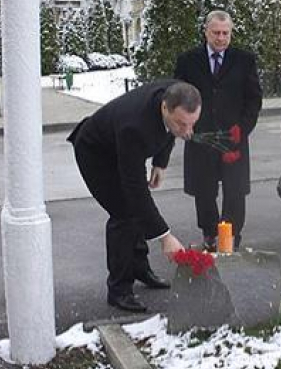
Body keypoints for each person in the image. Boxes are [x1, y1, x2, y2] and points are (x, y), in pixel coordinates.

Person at [67, 80, 197, 312]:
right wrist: (165, 236)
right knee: (124, 214)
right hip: (95, 153)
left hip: (120, 147)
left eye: (192, 125)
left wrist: (160, 163)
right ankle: (119, 289)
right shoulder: (135, 127)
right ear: (164, 108)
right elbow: (135, 188)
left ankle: (139, 268)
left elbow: (170, 131)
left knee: (134, 210)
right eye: (182, 125)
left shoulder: (177, 95)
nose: (187, 133)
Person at [174, 10, 263, 251]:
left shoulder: (244, 60)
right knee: (204, 190)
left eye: (226, 33)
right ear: (206, 32)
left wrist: (242, 129)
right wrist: (185, 126)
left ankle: (232, 233)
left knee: (235, 190)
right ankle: (210, 233)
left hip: (233, 137)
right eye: (216, 33)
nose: (221, 38)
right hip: (200, 137)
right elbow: (177, 97)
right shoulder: (188, 60)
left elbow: (253, 100)